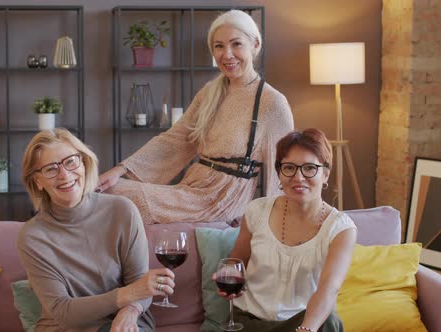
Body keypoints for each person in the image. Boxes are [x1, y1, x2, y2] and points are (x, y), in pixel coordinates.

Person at [97, 10, 294, 224]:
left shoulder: (272, 102)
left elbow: (283, 168)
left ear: (255, 45)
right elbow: (176, 139)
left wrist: (273, 225)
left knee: (114, 199)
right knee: (106, 189)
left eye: (236, 44)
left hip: (221, 199)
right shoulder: (210, 92)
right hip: (191, 188)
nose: (227, 54)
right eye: (219, 46)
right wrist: (121, 169)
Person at [17, 129, 176, 332]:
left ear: (84, 163)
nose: (64, 175)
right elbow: (63, 313)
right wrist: (129, 294)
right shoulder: (33, 237)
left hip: (128, 321)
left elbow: (140, 283)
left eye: (70, 161)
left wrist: (131, 310)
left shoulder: (122, 210)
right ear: (37, 181)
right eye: (50, 169)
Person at [214, 128, 357, 332]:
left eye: (309, 168)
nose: (298, 177)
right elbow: (237, 262)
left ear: (325, 174)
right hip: (248, 320)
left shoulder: (341, 229)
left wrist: (307, 329)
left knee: (330, 323)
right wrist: (228, 276)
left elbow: (329, 289)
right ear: (280, 173)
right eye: (289, 168)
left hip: (302, 323)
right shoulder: (257, 210)